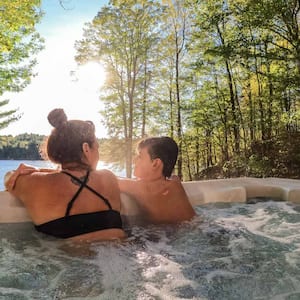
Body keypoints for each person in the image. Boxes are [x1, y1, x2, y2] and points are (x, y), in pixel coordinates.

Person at [4, 108, 126, 242]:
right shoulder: (108, 178)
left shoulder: (36, 184)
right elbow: (79, 177)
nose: (98, 154)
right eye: (97, 148)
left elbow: (10, 178)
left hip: (69, 257)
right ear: (86, 149)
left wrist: (37, 172)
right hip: (121, 254)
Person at [118, 136, 196, 224]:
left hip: (169, 234)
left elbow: (109, 180)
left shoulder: (145, 188)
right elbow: (173, 177)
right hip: (196, 226)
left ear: (155, 163)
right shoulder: (175, 183)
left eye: (140, 156)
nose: (134, 160)